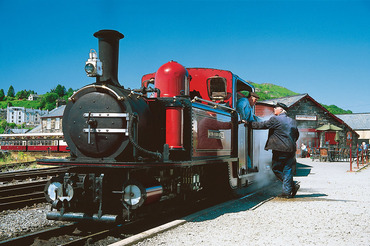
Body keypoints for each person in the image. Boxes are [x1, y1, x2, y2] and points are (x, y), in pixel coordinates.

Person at [250, 102, 300, 198]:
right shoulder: (292, 121)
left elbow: (263, 125)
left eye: (275, 108)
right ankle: (287, 192)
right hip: (291, 149)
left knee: (276, 168)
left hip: (279, 149)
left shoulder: (275, 119)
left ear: (281, 110)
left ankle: (291, 187)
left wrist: (249, 124)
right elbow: (296, 135)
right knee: (288, 169)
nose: (274, 110)